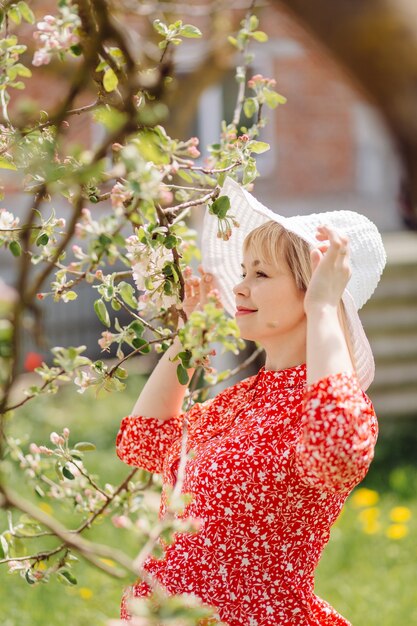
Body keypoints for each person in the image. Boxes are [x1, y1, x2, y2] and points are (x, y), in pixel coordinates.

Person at [116, 177, 387, 625]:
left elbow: (337, 449)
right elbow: (144, 442)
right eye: (243, 272)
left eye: (260, 274)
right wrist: (190, 339)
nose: (239, 287)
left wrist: (323, 307)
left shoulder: (322, 405)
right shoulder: (242, 403)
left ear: (312, 288)